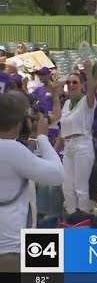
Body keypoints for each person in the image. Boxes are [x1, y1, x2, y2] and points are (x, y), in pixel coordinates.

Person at [0, 92, 64, 272]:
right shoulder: (13, 150)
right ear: (20, 123)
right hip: (10, 250)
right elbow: (57, 175)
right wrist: (42, 137)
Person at [57, 60, 97, 214]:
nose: (71, 85)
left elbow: (92, 88)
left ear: (82, 84)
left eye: (74, 82)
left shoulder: (87, 101)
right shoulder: (67, 103)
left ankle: (83, 222)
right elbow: (61, 129)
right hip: (68, 146)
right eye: (68, 82)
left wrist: (88, 71)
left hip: (83, 145)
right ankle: (71, 218)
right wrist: (55, 150)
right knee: (66, 187)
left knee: (80, 188)